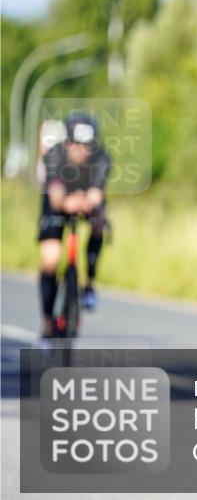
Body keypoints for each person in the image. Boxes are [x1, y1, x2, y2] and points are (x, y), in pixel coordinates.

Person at [37, 111, 111, 337]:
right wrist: (68, 203)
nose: (82, 151)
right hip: (58, 203)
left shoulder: (101, 157)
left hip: (85, 201)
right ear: (67, 141)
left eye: (87, 145)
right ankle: (48, 321)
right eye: (76, 145)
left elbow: (97, 193)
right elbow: (56, 197)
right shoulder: (55, 156)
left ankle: (88, 282)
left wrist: (88, 202)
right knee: (50, 260)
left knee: (99, 222)